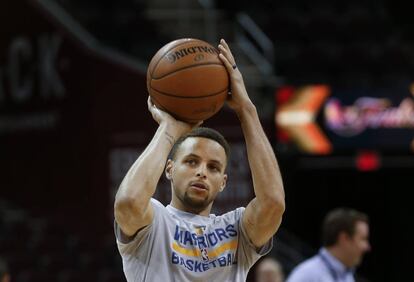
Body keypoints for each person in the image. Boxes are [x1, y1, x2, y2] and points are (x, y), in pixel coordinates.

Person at [114, 38, 285, 282]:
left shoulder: (237, 230)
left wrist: (247, 109)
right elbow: (128, 202)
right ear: (169, 169)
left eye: (213, 167)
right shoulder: (154, 222)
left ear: (223, 182)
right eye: (191, 161)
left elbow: (273, 203)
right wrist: (169, 129)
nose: (202, 172)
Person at [286, 208, 371, 282]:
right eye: (363, 239)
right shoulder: (307, 275)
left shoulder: (347, 276)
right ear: (344, 238)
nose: (367, 247)